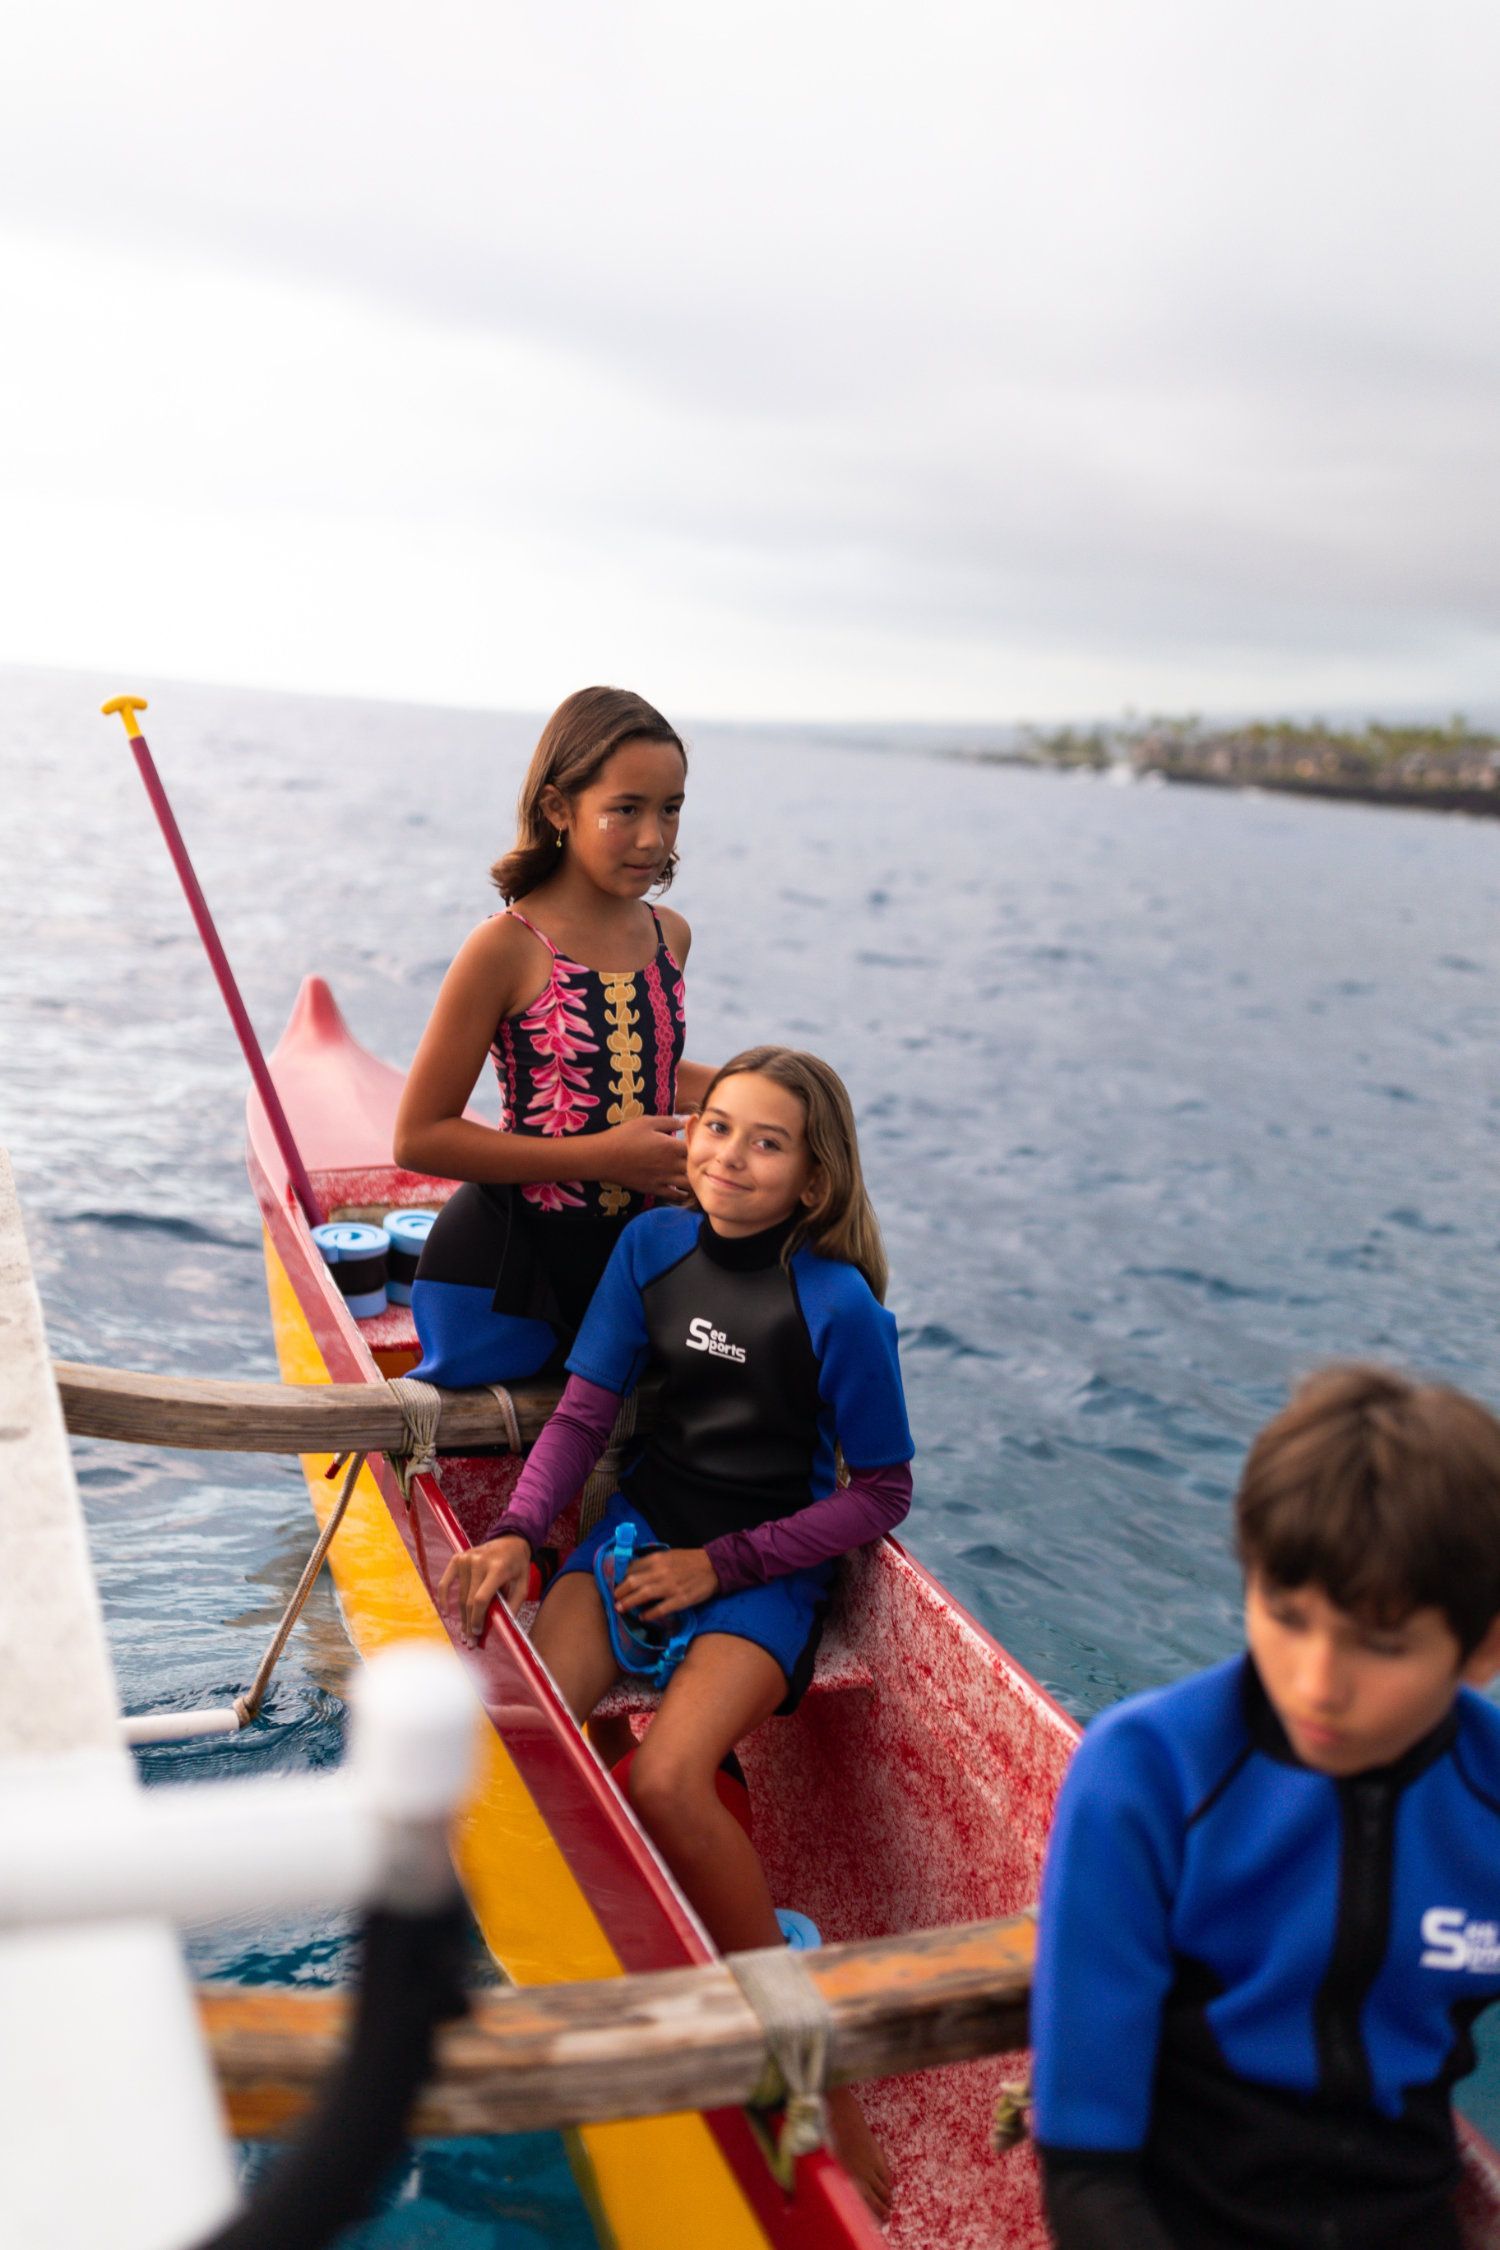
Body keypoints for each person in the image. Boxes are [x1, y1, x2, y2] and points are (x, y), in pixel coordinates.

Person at [438, 1046, 915, 2217]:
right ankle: (606, 1943)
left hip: (756, 1577)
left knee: (667, 1781)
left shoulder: (841, 1306)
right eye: (714, 1128)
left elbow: (881, 1493)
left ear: (813, 1180)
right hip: (636, 1541)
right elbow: (589, 1410)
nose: (727, 1156)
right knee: (518, 1725)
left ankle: (812, 2069)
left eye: (765, 1141)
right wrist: (528, 1538)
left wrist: (726, 1567)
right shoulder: (646, 1249)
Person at [1031, 1364, 1500, 2250]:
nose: (1316, 1684)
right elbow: (1087, 2164)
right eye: (1286, 1617)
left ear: (1481, 1649)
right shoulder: (1149, 1775)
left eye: (1383, 1644)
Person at [393, 685, 713, 1387]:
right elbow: (419, 1136)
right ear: (559, 809)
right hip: (509, 1272)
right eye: (625, 809)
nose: (653, 838)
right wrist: (606, 1157)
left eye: (671, 809)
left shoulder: (671, 936)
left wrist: (746, 1095)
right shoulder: (507, 947)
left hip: (636, 1264)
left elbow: (648, 1070)